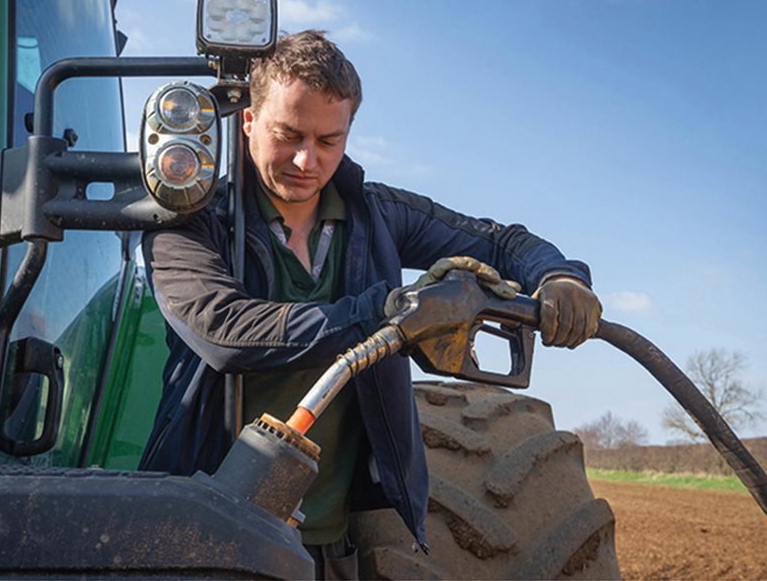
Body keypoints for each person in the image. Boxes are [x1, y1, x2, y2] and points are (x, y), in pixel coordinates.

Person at [140, 30, 602, 579]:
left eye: (328, 141)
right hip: (203, 529)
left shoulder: (376, 214)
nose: (306, 160)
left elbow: (499, 242)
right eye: (287, 135)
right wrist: (391, 315)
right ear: (247, 120)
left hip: (328, 540)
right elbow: (223, 331)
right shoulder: (190, 219)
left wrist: (558, 275)